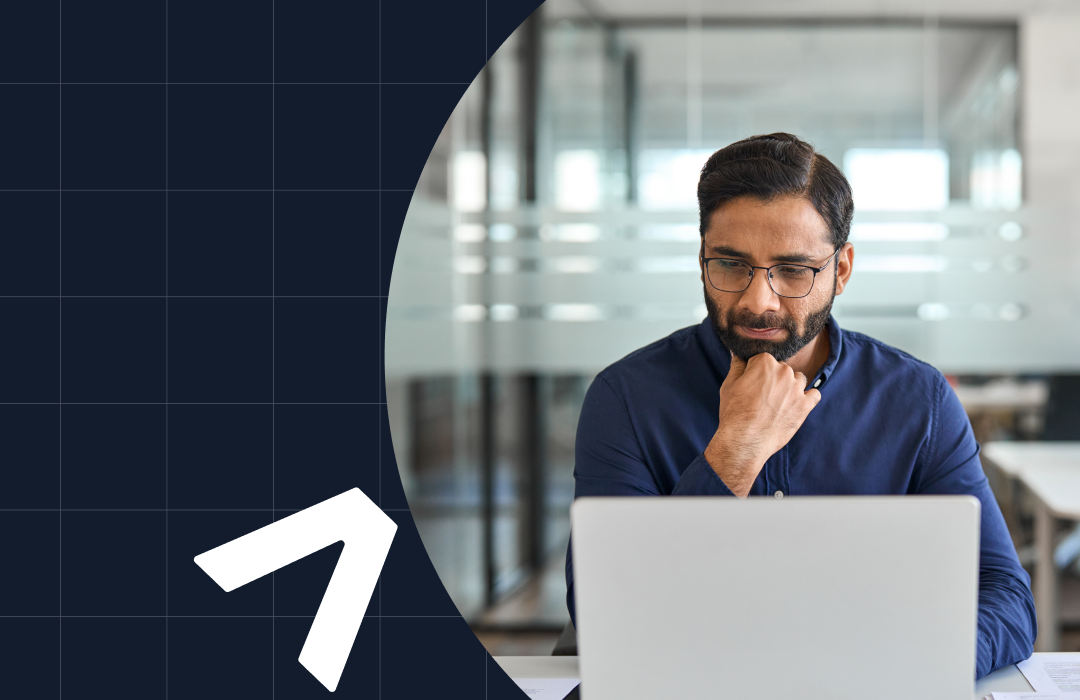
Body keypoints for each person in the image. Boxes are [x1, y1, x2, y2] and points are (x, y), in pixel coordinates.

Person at [564, 132, 1036, 678]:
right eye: (731, 265)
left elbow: (1006, 598)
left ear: (841, 269)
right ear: (701, 260)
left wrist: (899, 671)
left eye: (793, 270)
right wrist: (736, 449)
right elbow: (608, 618)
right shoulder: (624, 398)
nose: (757, 300)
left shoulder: (919, 400)